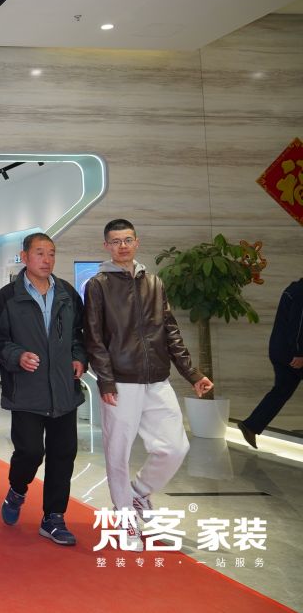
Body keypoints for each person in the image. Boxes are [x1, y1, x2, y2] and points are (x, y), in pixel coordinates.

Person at [84, 218, 213, 551]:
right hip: (120, 382)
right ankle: (125, 520)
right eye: (116, 241)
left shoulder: (154, 282)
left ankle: (138, 493)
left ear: (137, 242)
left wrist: (193, 374)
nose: (122, 246)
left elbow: (170, 331)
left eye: (128, 239)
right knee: (118, 453)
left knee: (175, 447)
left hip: (157, 378)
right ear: (107, 246)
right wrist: (106, 381)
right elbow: (94, 337)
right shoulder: (98, 285)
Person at [0, 232, 86, 547]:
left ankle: (53, 517)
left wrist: (78, 357)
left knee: (63, 455)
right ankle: (17, 490)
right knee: (30, 451)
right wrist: (17, 356)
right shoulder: (8, 296)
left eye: (51, 253)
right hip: (26, 391)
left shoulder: (67, 293)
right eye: (40, 253)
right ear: (25, 257)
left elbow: (79, 334)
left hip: (64, 391)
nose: (47, 259)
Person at [238, 277, 303, 448]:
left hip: (280, 350)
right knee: (282, 390)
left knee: (282, 390)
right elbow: (297, 326)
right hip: (291, 353)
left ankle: (251, 425)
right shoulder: (300, 292)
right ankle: (251, 425)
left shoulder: (293, 289)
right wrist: (299, 352)